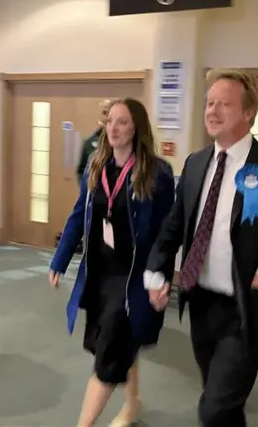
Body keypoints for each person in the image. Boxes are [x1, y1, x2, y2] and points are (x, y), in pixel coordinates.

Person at [144, 69, 258, 427]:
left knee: (213, 407)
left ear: (248, 112)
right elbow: (175, 225)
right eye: (210, 103)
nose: (213, 110)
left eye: (224, 104)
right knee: (222, 400)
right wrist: (156, 271)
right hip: (200, 302)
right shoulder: (195, 163)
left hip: (245, 310)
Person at [49, 98, 175, 427]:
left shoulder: (156, 173)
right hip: (101, 273)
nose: (114, 128)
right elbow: (81, 214)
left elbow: (167, 233)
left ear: (137, 127)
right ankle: (132, 404)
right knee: (117, 342)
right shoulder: (97, 164)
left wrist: (161, 279)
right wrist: (60, 258)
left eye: (123, 122)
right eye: (111, 121)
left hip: (133, 275)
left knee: (109, 354)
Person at [76, 100, 112, 184]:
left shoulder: (122, 143)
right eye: (104, 112)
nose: (106, 117)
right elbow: (81, 170)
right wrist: (86, 187)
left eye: (108, 113)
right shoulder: (89, 142)